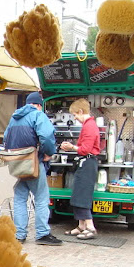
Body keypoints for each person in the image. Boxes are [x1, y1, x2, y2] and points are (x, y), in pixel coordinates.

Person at [4, 91, 61, 245]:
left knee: (20, 199)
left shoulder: (14, 118)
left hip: (16, 165)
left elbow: (5, 138)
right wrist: (49, 153)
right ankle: (42, 234)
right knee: (41, 198)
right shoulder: (38, 115)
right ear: (38, 105)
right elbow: (47, 136)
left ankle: (20, 234)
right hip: (33, 163)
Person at [60, 98, 101, 239]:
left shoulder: (89, 126)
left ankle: (90, 227)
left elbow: (85, 149)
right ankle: (81, 226)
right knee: (78, 194)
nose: (75, 118)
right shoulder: (89, 125)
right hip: (86, 163)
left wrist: (71, 147)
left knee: (82, 195)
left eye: (75, 115)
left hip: (87, 163)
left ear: (81, 111)